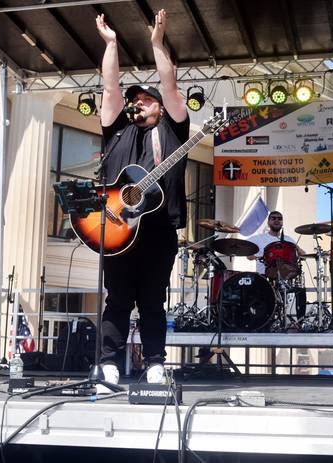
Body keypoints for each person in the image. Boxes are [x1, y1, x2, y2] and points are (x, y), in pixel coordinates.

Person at [95, 10, 188, 386]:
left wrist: (156, 42)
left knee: (152, 301)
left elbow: (169, 84)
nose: (139, 103)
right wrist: (112, 44)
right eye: (136, 100)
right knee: (117, 300)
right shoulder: (117, 131)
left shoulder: (173, 129)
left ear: (160, 107)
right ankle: (109, 362)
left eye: (146, 100)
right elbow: (110, 87)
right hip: (118, 227)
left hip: (158, 229)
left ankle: (154, 362)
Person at [246, 211, 304, 276]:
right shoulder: (258, 238)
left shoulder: (289, 240)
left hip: (286, 280)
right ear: (268, 222)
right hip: (264, 278)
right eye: (273, 218)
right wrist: (258, 257)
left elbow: (303, 255)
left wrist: (298, 248)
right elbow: (247, 254)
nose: (277, 220)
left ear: (282, 223)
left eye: (280, 219)